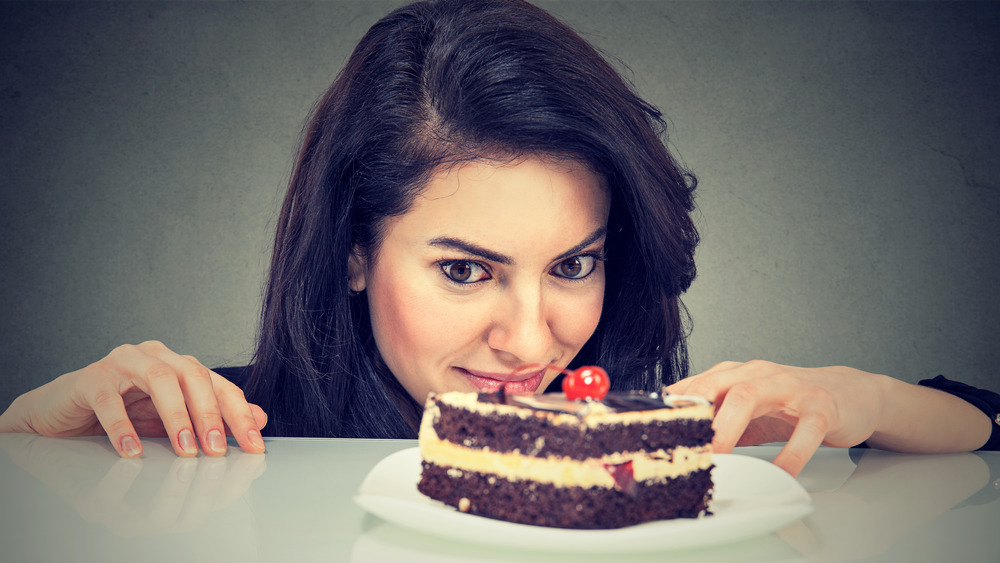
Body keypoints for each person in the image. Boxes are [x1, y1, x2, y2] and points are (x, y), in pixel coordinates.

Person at [1, 0, 997, 477]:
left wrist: (861, 397)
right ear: (353, 248)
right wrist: (27, 437)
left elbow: (987, 421)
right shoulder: (217, 430)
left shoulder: (641, 444)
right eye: (465, 269)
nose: (531, 341)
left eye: (573, 263)